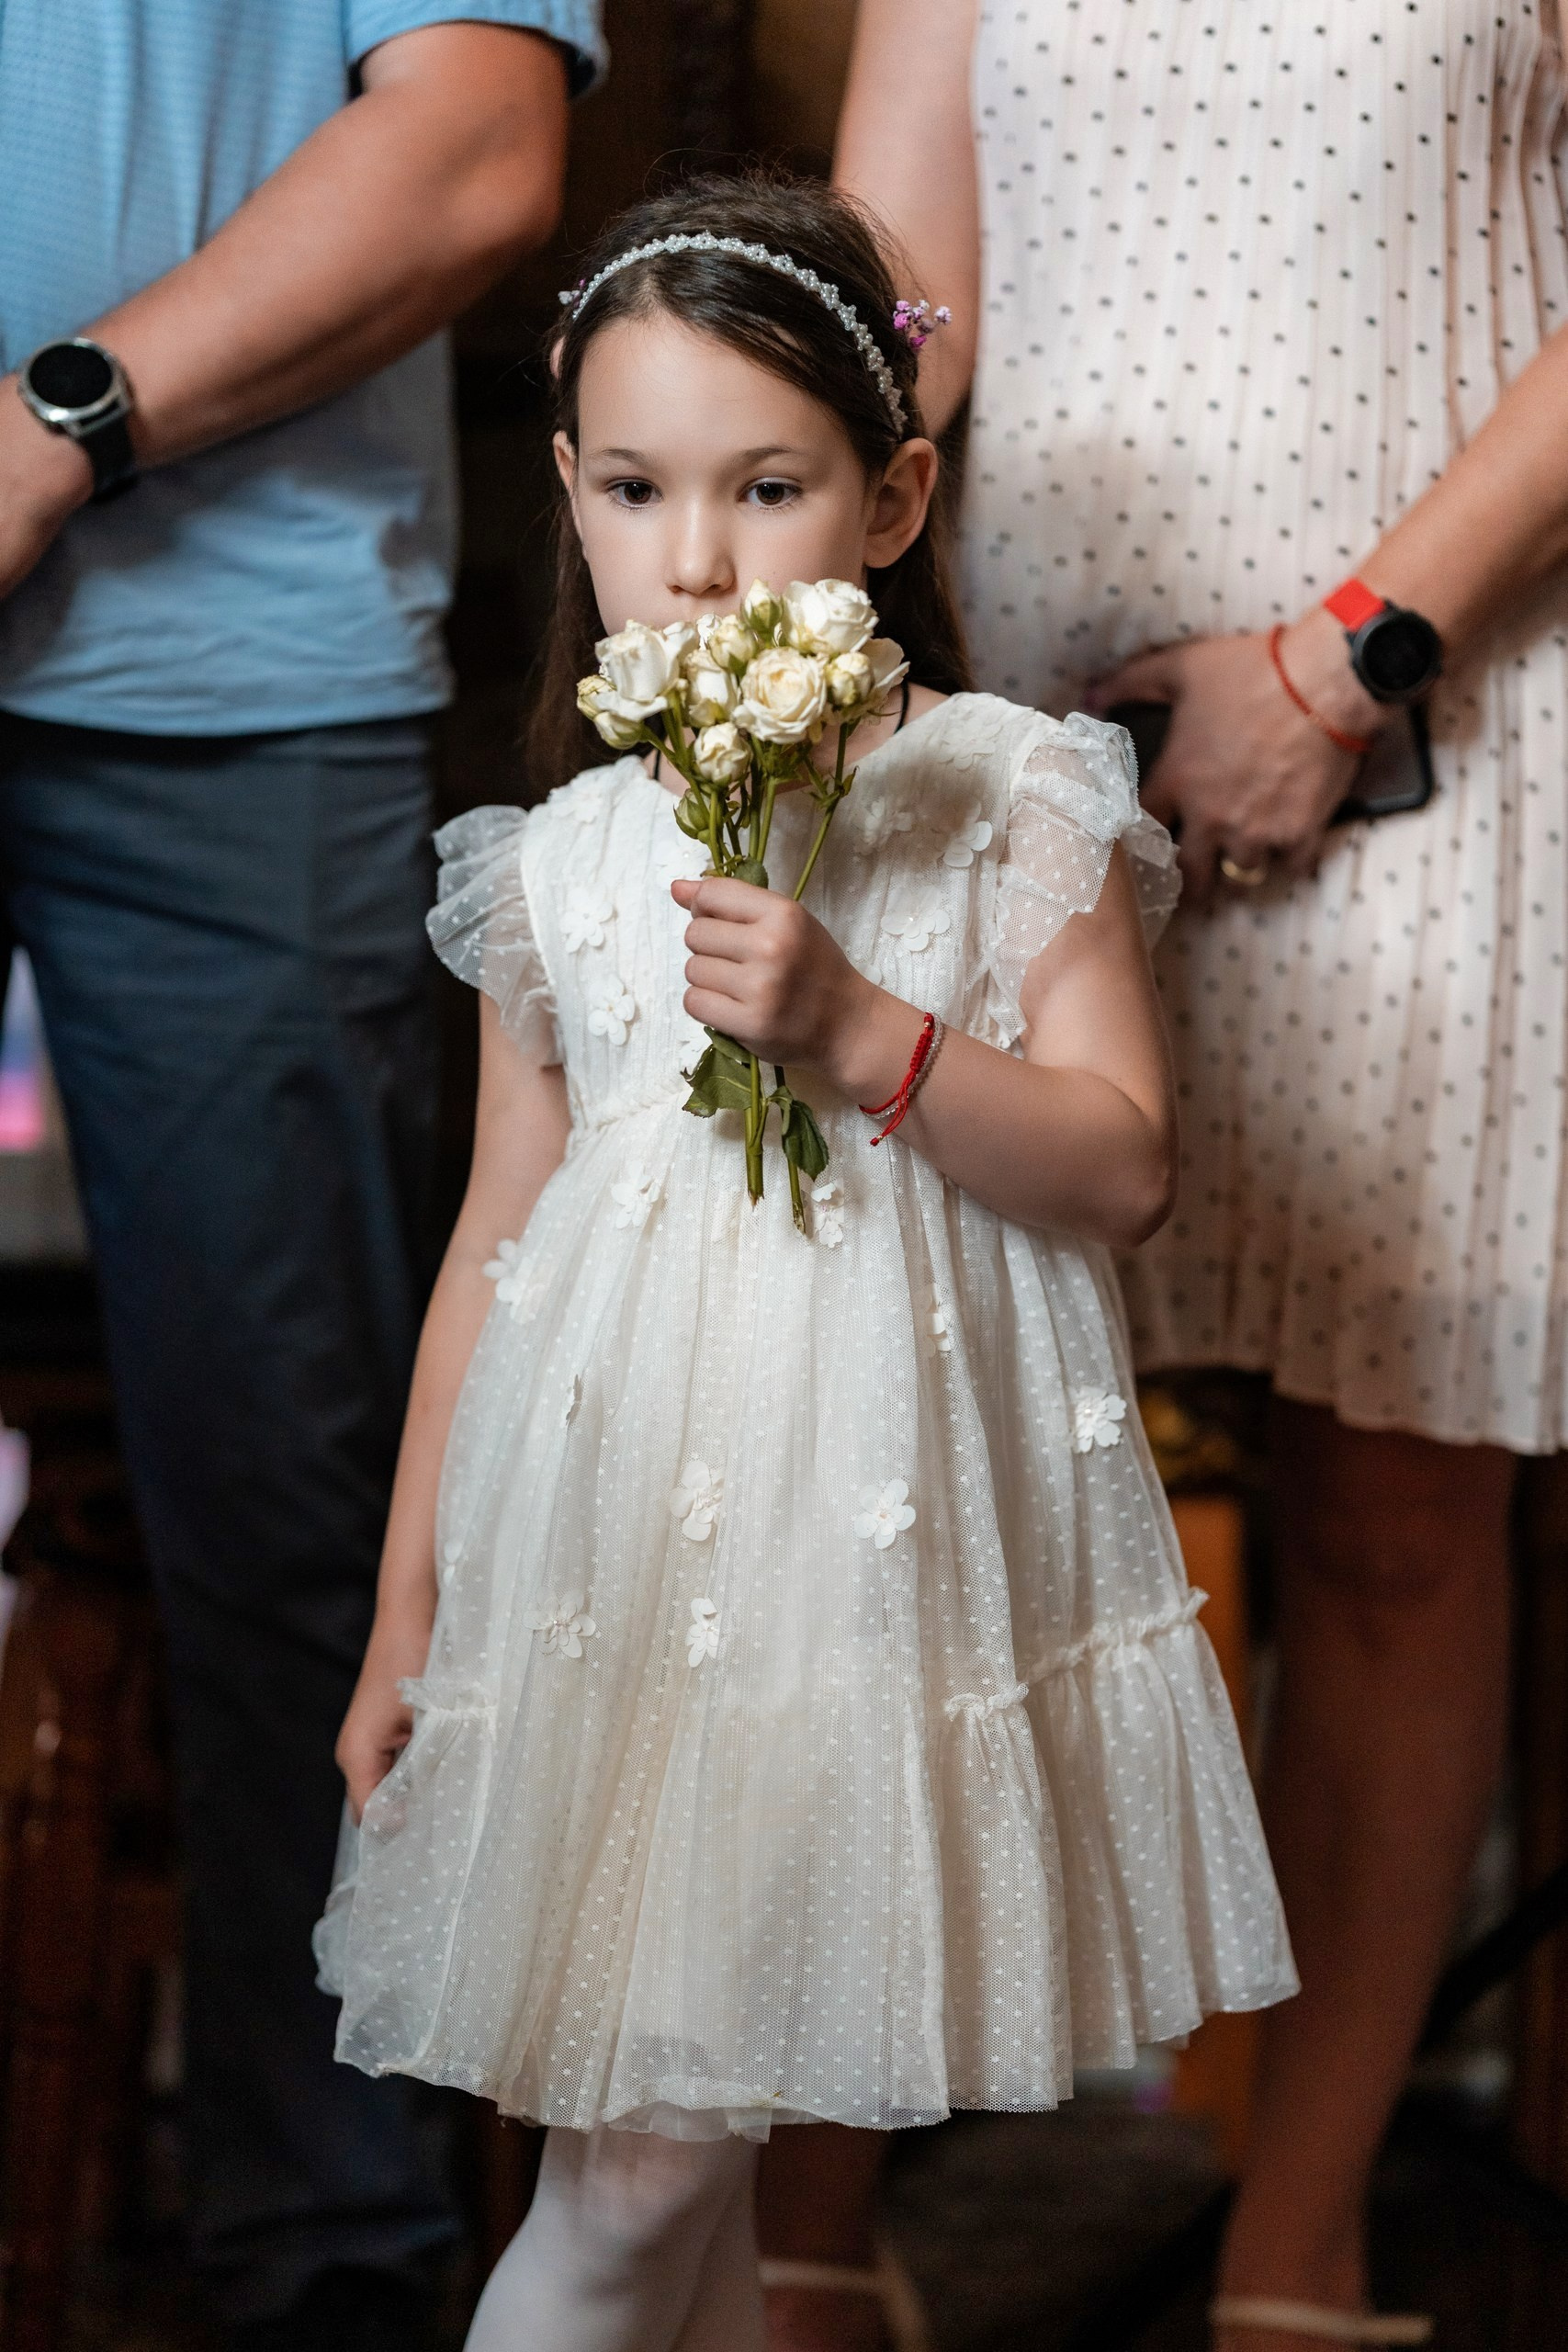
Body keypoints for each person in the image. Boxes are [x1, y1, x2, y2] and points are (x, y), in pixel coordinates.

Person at [313, 172, 1296, 2352]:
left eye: (767, 487)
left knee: (691, 2169)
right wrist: (409, 1612)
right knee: (658, 2161)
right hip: (606, 1587)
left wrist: (868, 1034)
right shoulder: (560, 858)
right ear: (565, 495)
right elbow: (500, 1234)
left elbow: (1122, 1165)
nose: (694, 556)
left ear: (887, 496)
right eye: (638, 489)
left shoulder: (1001, 793)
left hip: (856, 1584)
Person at [837, 2, 1568, 2345]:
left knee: (1390, 1505)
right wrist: (808, 565)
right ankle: (794, 2227)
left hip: (1447, 710)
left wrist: (1345, 654)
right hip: (1029, 749)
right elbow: (902, 271)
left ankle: (1293, 2253)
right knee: (916, 1471)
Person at [0, 7, 601, 2346]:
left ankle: (335, 2273)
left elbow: (472, 140)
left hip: (240, 676)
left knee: (303, 1528)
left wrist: (55, 426)